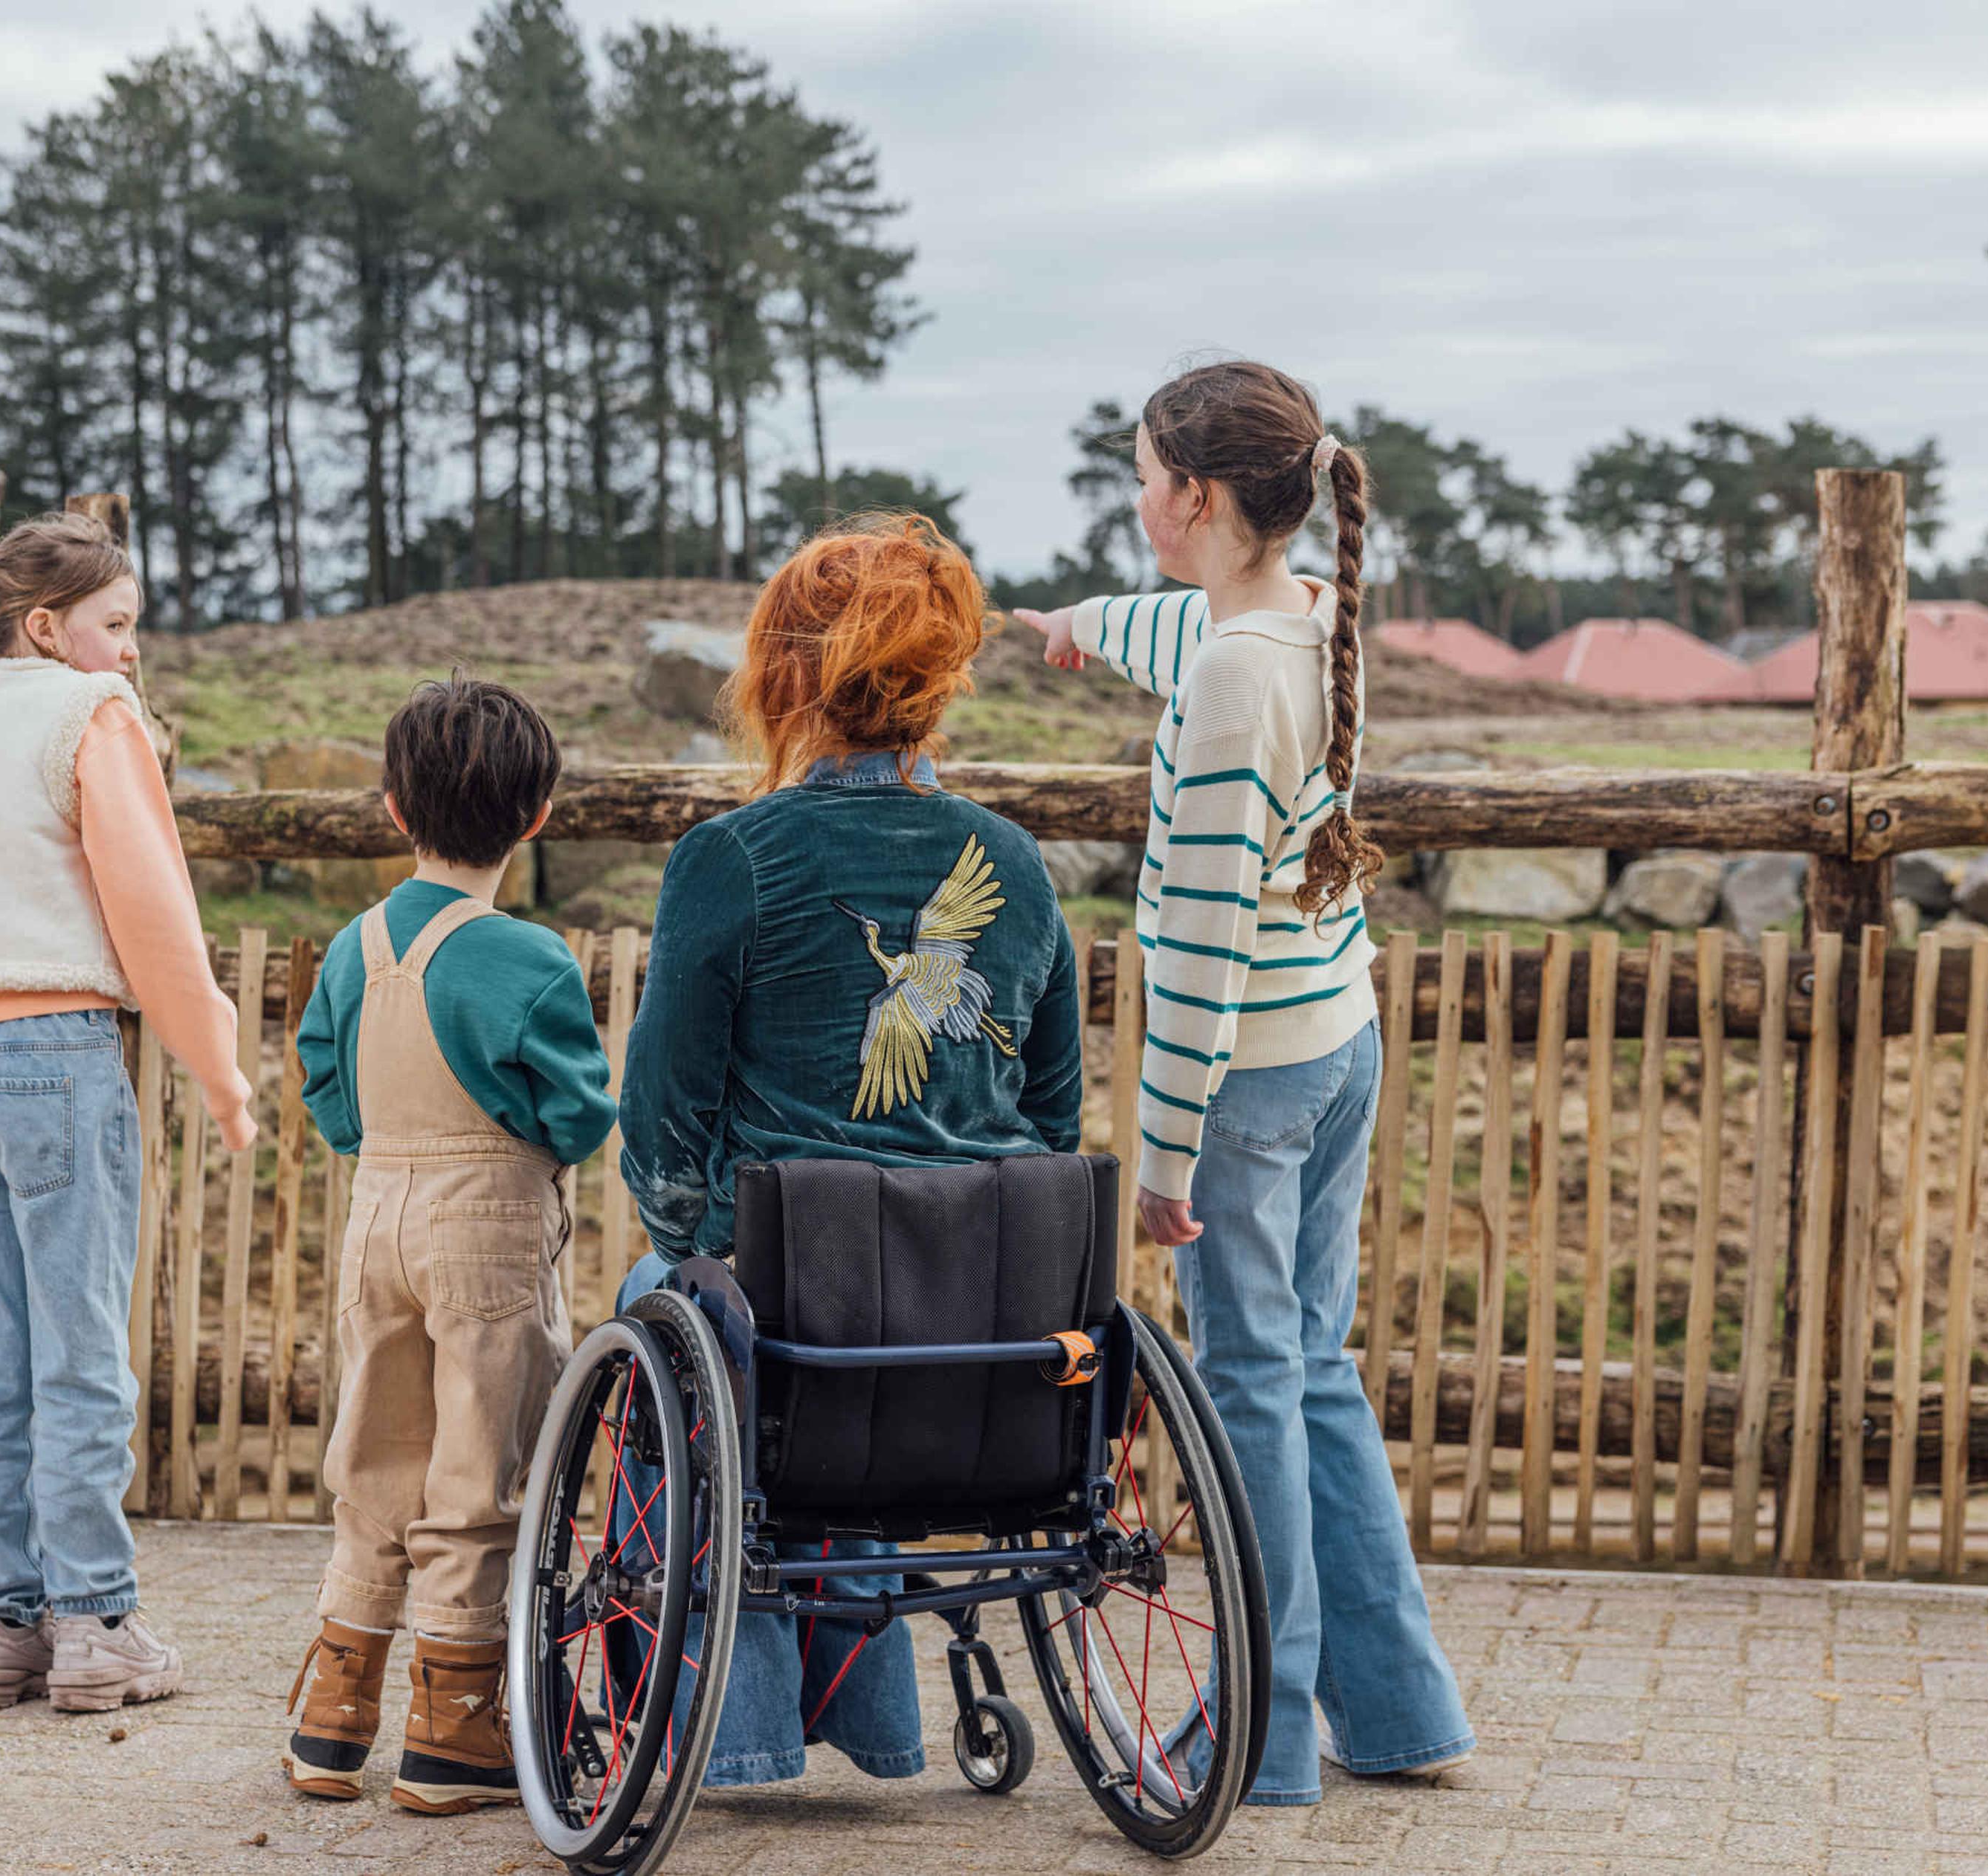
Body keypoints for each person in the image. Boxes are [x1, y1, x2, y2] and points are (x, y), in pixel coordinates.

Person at [1013, 359, 1474, 1803]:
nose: (1135, 496)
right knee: (1311, 1369)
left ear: (1195, 496)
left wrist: (1162, 1158)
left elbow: (1200, 937)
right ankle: (1398, 1708)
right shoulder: (1301, 619)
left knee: (1255, 1393)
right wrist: (1078, 626)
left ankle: (1260, 1736)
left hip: (1253, 1086)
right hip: (1340, 1041)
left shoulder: (1233, 682)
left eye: (1145, 476)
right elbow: (1200, 632)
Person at [616, 514, 1088, 1788]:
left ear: (783, 676)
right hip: (985, 1323)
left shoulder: (733, 858)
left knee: (663, 1310)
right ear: (940, 680)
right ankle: (874, 1714)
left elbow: (662, 1115)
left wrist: (688, 1242)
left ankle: (739, 1723)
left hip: (796, 1319)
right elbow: (1053, 1121)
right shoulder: (1016, 863)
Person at [0, 511, 258, 1715]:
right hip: (52, 1051)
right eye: (117, 624)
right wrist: (218, 1065)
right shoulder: (88, 715)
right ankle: (96, 1624)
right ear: (49, 627)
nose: (133, 651)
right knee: (81, 1347)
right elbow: (153, 911)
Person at [283, 679, 616, 1814]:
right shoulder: (528, 961)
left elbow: (323, 1079)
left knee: (375, 1454)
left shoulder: (352, 943)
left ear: (390, 808)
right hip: (488, 1220)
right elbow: (577, 1112)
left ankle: (333, 1713)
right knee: (482, 1464)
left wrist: (375, 1142)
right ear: (539, 816)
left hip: (377, 1208)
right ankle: (453, 1723)